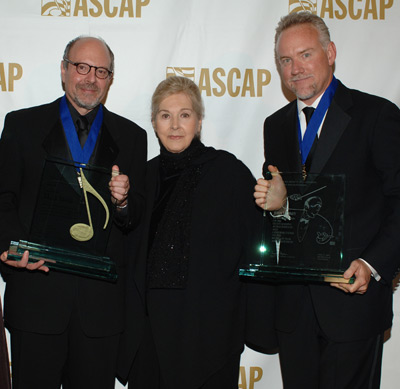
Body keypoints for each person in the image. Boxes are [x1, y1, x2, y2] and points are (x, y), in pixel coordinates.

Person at [253, 11, 400, 389]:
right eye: (285, 60)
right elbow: (291, 210)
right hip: (294, 310)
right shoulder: (276, 125)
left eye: (305, 54)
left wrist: (372, 263)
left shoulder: (377, 115)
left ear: (330, 52)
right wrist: (277, 204)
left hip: (352, 302)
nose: (295, 68)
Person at [117, 76, 284, 389]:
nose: (175, 125)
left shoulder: (228, 172)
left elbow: (259, 243)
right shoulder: (143, 175)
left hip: (207, 333)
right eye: (166, 115)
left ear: (199, 121)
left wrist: (259, 321)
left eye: (185, 115)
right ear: (154, 123)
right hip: (149, 335)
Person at [0, 36, 147, 388]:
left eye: (100, 71)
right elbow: (2, 197)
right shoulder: (21, 125)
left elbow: (135, 220)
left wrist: (124, 202)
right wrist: (10, 248)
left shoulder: (132, 137)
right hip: (36, 295)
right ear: (64, 70)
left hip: (99, 312)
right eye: (81, 67)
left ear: (110, 79)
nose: (89, 78)